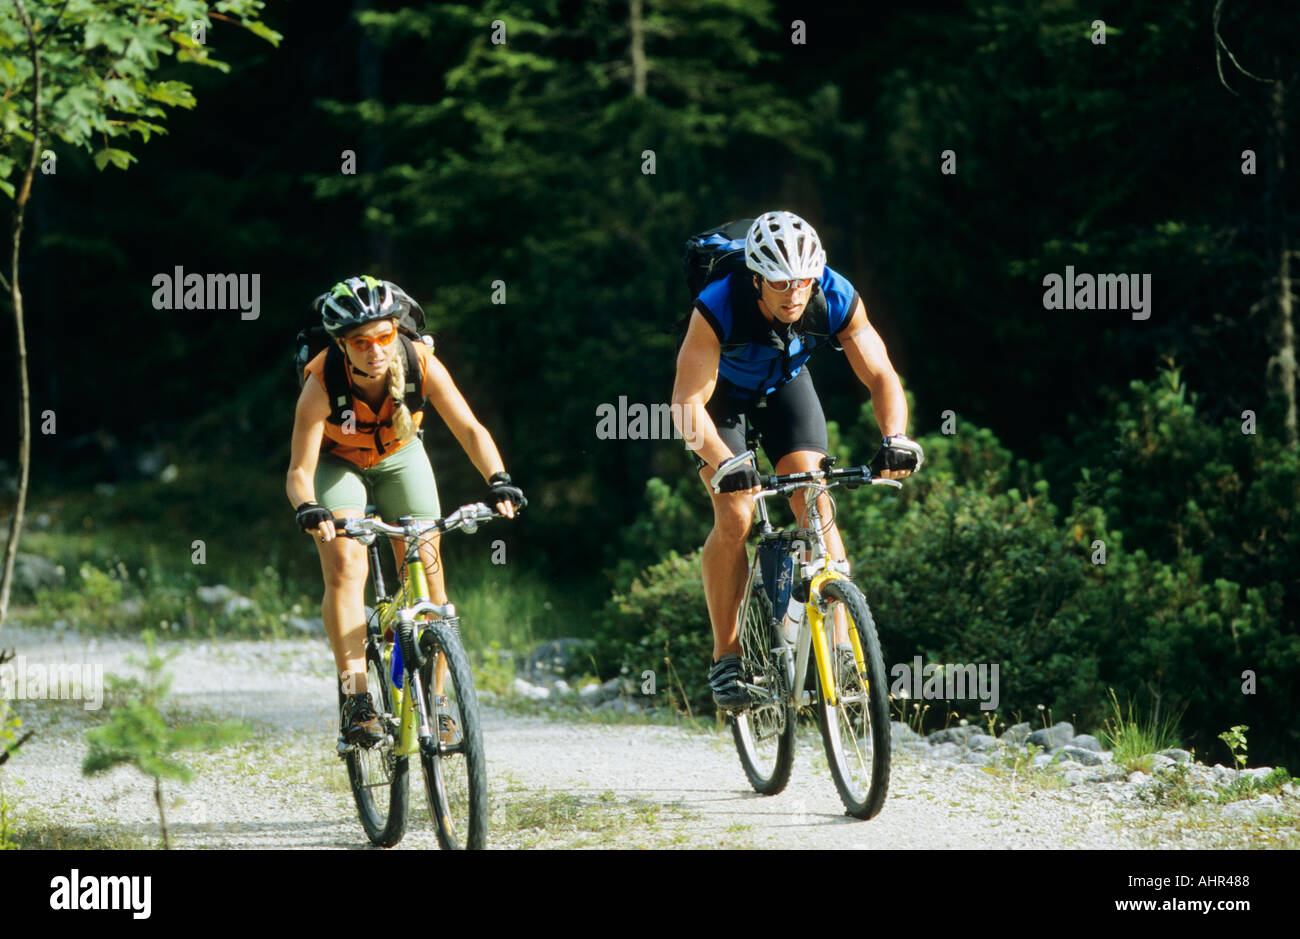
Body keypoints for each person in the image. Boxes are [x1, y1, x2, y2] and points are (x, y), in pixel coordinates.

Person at [671, 212, 923, 709]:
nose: (794, 294)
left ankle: (844, 648)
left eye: (803, 282)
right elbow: (685, 405)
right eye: (782, 283)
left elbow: (881, 375)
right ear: (758, 278)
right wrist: (725, 462)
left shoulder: (835, 295)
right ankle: (728, 656)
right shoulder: (719, 303)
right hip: (719, 398)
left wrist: (896, 436)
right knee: (737, 512)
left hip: (784, 385)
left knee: (814, 495)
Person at [286, 276, 525, 747]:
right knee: (346, 563)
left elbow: (470, 428)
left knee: (429, 579)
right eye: (360, 342)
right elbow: (299, 470)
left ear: (397, 331)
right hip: (340, 463)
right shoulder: (321, 380)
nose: (375, 350)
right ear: (342, 344)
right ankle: (356, 698)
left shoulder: (421, 363)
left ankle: (436, 703)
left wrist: (499, 480)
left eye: (384, 336)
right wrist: (310, 508)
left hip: (400, 456)